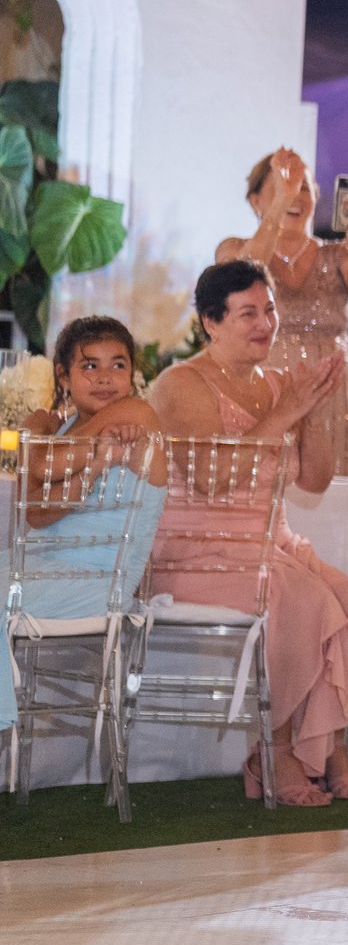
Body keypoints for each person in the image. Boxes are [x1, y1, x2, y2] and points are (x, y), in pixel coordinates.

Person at [151, 262, 348, 806]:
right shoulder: (179, 384)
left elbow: (315, 480)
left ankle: (332, 749)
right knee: (301, 598)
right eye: (248, 313)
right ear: (211, 322)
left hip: (271, 544)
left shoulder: (278, 383)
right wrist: (288, 410)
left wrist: (311, 410)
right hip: (199, 552)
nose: (265, 323)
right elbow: (210, 478)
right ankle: (276, 751)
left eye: (269, 310)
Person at [2, 316, 168, 745]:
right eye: (89, 366)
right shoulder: (62, 428)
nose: (105, 379)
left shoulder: (136, 413)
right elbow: (36, 515)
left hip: (100, 581)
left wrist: (32, 434)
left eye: (118, 365)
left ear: (133, 373)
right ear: (64, 375)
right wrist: (91, 460)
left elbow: (39, 465)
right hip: (42, 566)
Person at [216, 147, 348, 482]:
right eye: (281, 186)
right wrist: (279, 209)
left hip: (331, 394)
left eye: (304, 187)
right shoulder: (233, 248)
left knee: (335, 497)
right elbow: (244, 275)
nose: (295, 195)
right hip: (264, 389)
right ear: (255, 200)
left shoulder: (338, 254)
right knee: (263, 490)